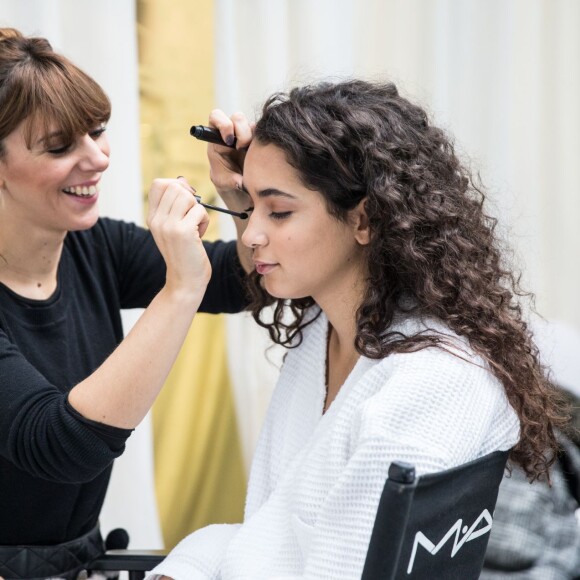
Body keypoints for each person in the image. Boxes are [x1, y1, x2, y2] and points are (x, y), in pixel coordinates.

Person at [148, 79, 565, 580]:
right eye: (249, 208)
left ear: (365, 219)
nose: (253, 233)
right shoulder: (323, 331)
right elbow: (272, 535)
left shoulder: (433, 386)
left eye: (278, 211)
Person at [0, 27, 248, 579]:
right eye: (61, 146)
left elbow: (246, 279)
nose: (97, 159)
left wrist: (241, 194)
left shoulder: (95, 248)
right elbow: (63, 444)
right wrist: (181, 289)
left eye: (98, 133)